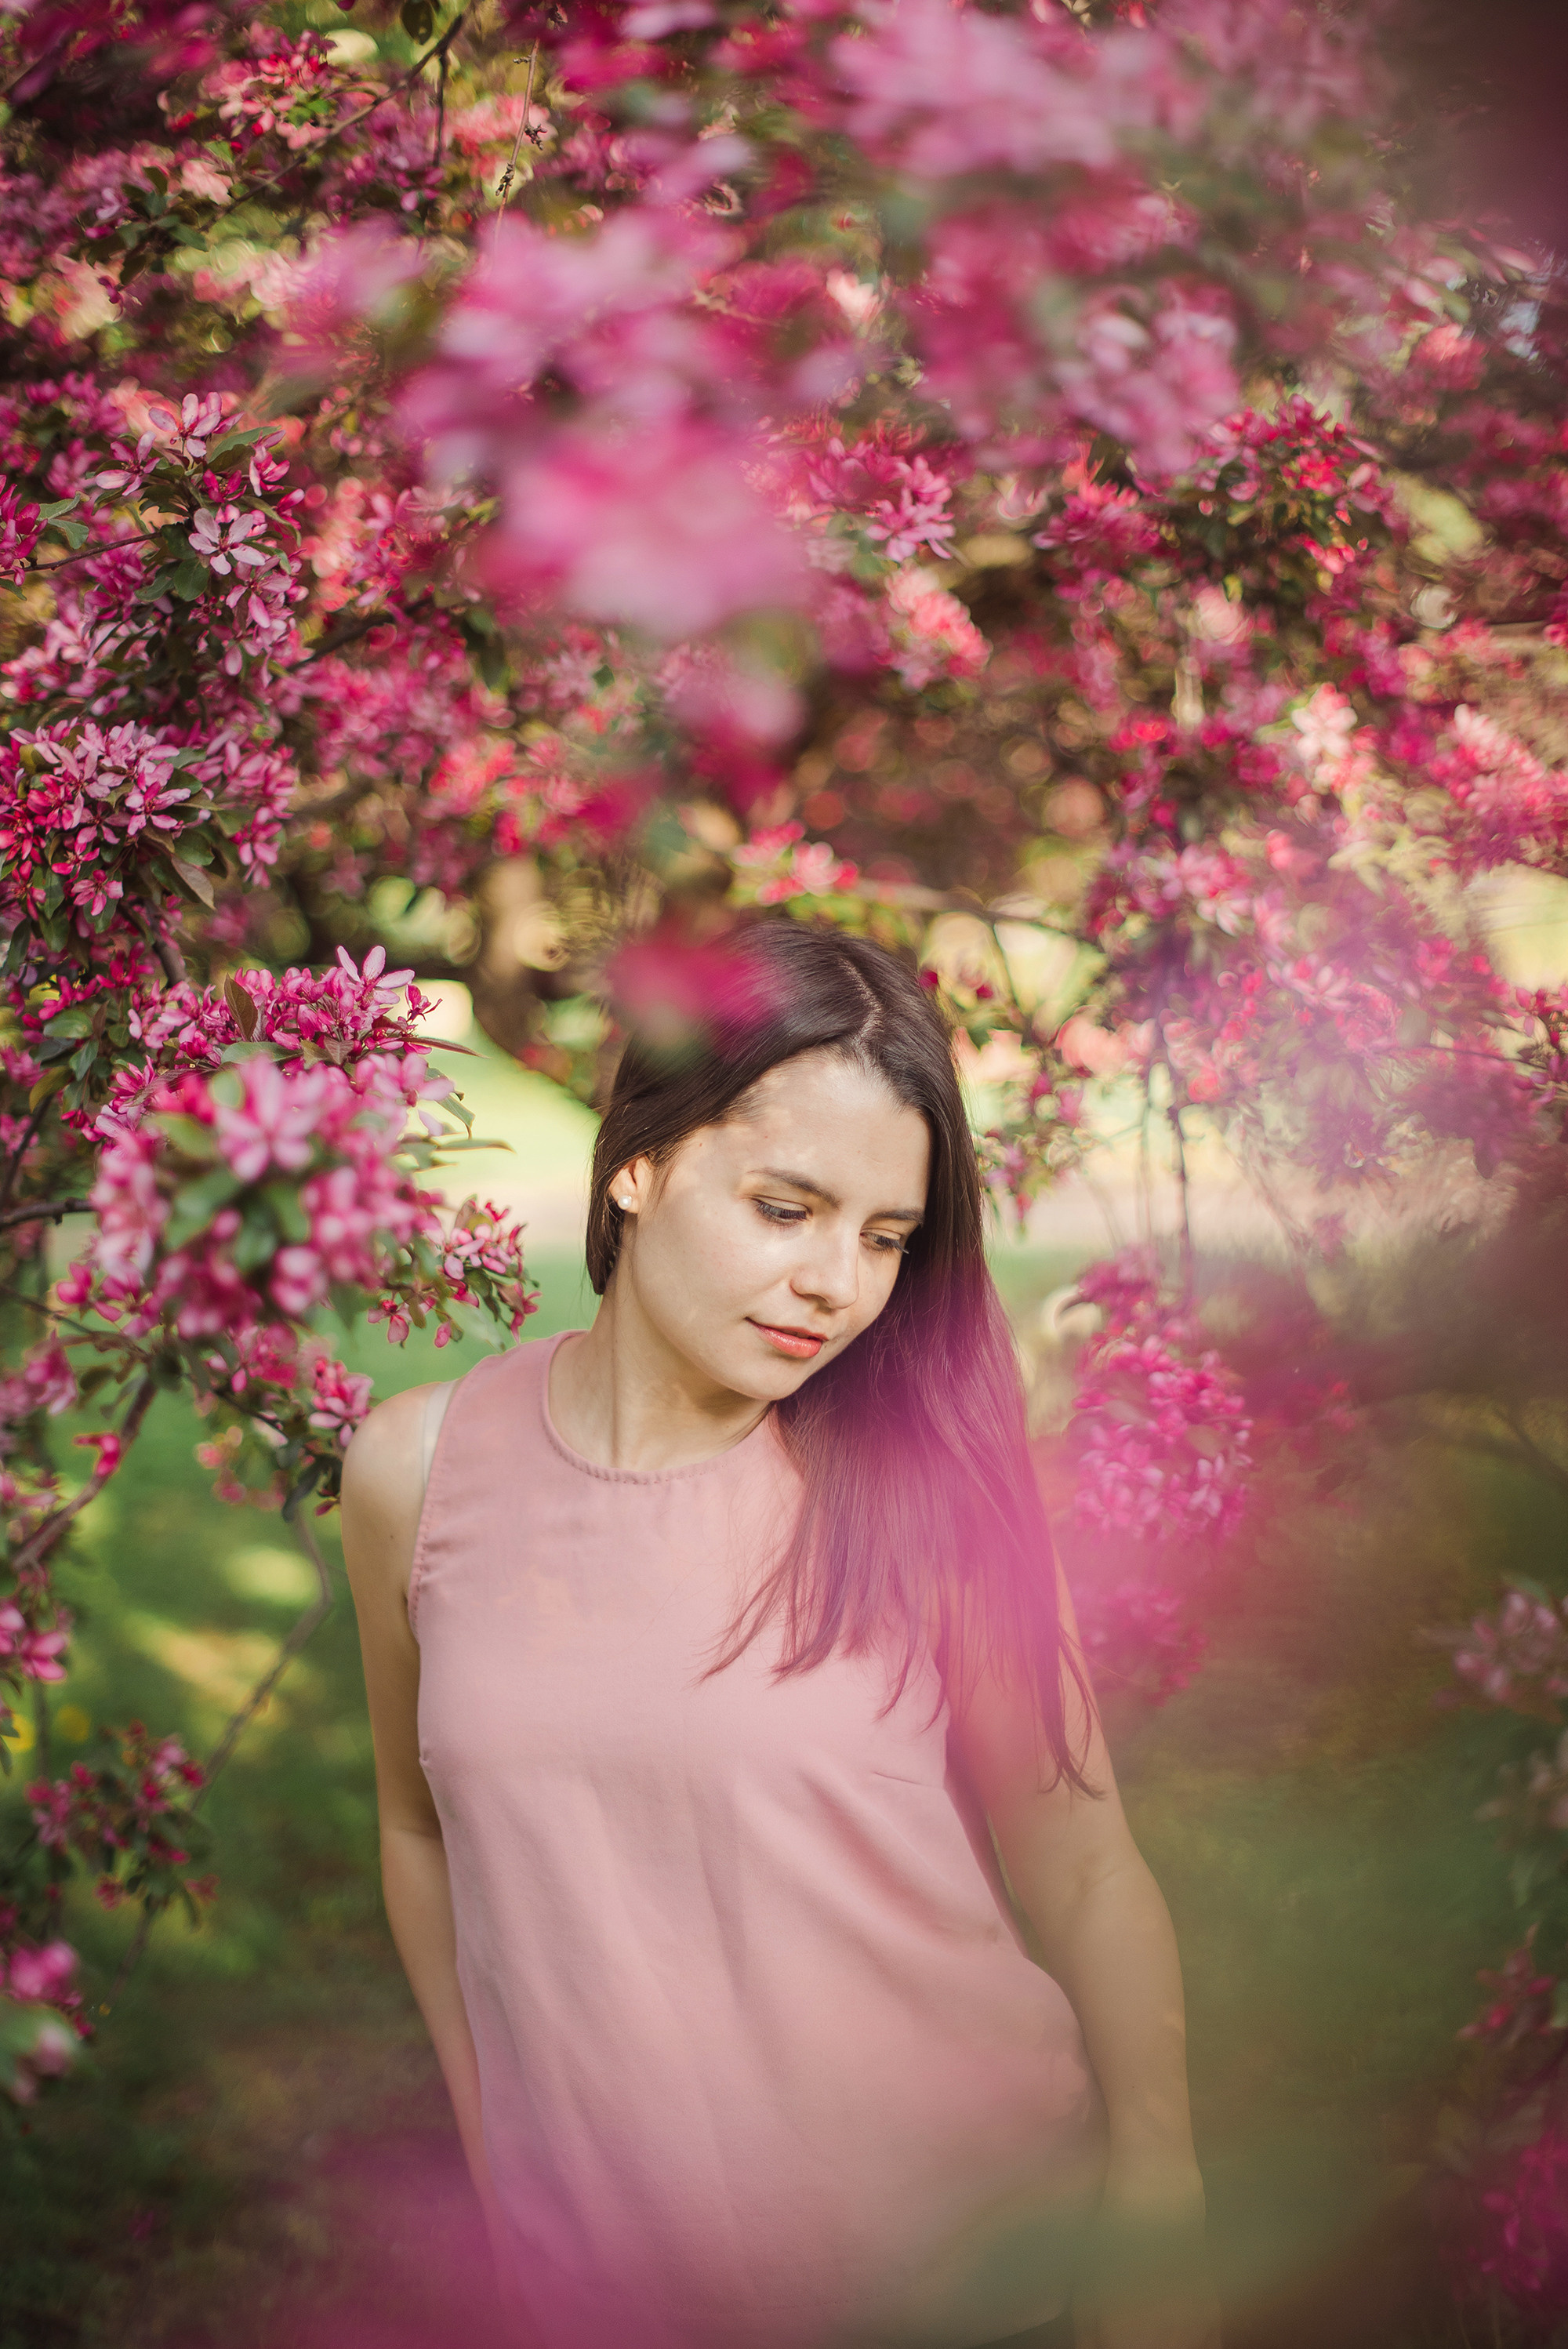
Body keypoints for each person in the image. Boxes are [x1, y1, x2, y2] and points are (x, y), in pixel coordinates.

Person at [341, 920, 1219, 2349]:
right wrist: (499, 2158)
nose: (839, 1286)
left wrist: (1159, 2215)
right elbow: (418, 1828)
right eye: (786, 1206)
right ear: (641, 1161)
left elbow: (1086, 1868)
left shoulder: (923, 1494)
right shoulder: (412, 1477)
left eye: (883, 1238)